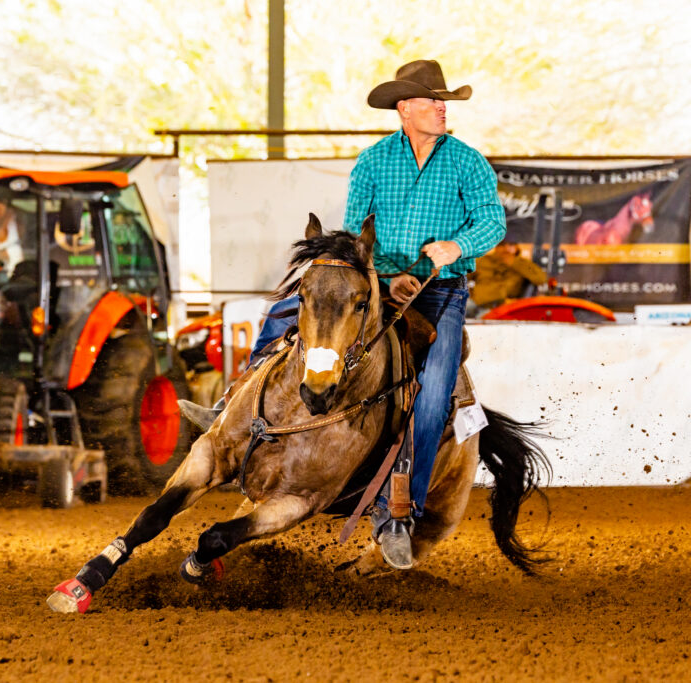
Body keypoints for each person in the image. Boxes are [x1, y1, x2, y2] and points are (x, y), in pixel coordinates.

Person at [226, 59, 505, 569]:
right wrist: (378, 274)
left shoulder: (467, 162)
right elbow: (356, 228)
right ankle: (234, 414)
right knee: (286, 315)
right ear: (405, 108)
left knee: (435, 391)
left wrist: (457, 245)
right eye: (433, 99)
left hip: (440, 293)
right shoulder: (374, 162)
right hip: (377, 287)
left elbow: (492, 222)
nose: (443, 107)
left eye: (445, 101)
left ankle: (398, 511)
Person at [467, 241, 546, 316]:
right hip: (477, 301)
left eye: (511, 245)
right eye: (502, 245)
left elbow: (541, 279)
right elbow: (464, 276)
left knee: (483, 317)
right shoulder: (483, 261)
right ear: (496, 247)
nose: (506, 248)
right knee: (457, 309)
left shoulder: (523, 263)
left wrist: (514, 263)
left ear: (516, 247)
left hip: (504, 306)